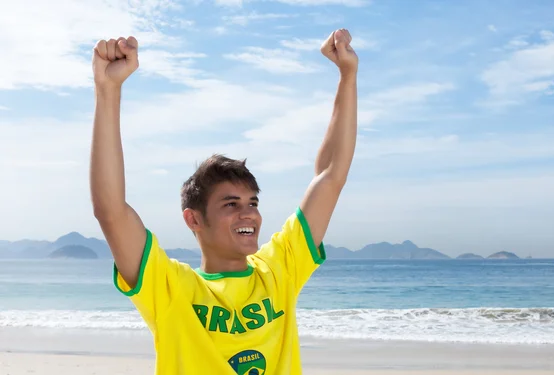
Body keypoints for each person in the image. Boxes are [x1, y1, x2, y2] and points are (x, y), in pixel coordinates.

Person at [90, 28, 358, 374]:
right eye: (231, 204)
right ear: (194, 219)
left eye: (253, 202)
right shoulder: (171, 289)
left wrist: (347, 76)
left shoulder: (278, 271)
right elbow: (110, 211)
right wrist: (108, 91)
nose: (248, 213)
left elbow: (331, 175)